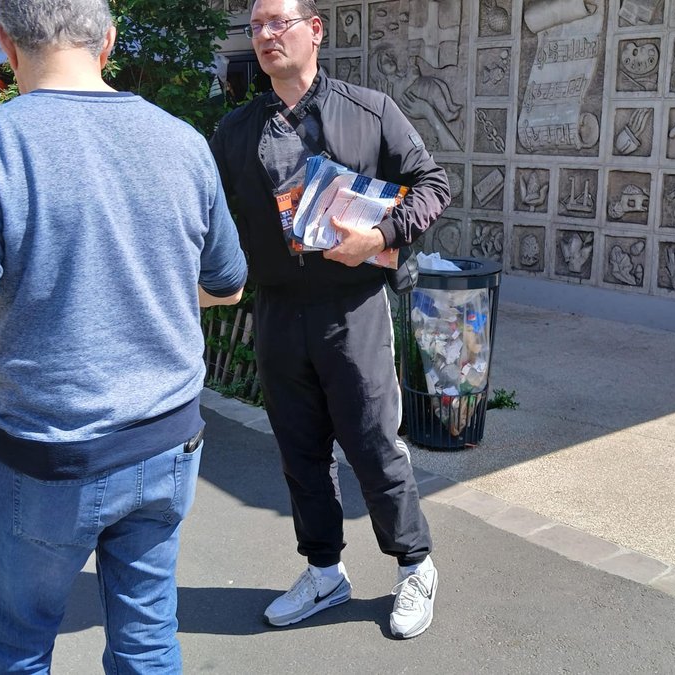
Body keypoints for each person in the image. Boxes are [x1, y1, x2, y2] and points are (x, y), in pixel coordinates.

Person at [0, 0, 247, 670]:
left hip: (48, 458)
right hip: (167, 444)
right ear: (108, 40)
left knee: (16, 650)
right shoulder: (182, 141)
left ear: (4, 44)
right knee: (148, 644)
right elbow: (227, 284)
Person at [209, 0, 450, 640]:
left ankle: (414, 566)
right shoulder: (235, 132)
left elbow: (432, 185)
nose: (264, 35)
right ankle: (323, 571)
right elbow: (216, 219)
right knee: (300, 450)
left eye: (278, 22)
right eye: (256, 25)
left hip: (353, 307)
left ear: (314, 30)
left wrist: (382, 236)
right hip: (279, 310)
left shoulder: (370, 112)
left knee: (373, 443)